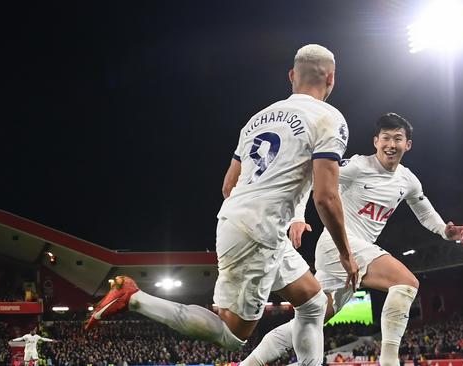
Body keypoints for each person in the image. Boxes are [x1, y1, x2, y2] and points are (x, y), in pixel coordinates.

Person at [85, 44, 358, 366]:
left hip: (250, 222)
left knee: (313, 302)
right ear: (331, 78)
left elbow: (229, 185)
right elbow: (326, 196)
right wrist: (345, 254)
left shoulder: (259, 119)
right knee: (232, 335)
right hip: (261, 231)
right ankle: (135, 298)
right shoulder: (329, 118)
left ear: (291, 76)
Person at [241, 113, 463, 366]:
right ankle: (390, 361)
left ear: (408, 144)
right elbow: (312, 177)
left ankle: (249, 364)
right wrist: (297, 216)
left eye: (397, 139)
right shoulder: (357, 166)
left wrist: (444, 231)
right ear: (375, 141)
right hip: (338, 245)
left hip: (351, 253)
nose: (390, 145)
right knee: (406, 283)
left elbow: (424, 210)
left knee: (311, 319)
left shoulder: (408, 180)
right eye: (385, 138)